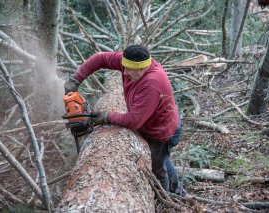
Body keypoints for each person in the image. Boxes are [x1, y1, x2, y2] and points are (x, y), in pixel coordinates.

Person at [64, 44, 186, 196]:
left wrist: (106, 117)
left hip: (161, 130)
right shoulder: (130, 64)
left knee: (157, 169)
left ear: (142, 68)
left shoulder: (152, 83)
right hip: (155, 119)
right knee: (164, 160)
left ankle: (167, 199)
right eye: (124, 67)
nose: (125, 71)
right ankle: (178, 191)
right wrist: (76, 79)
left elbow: (134, 121)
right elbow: (100, 58)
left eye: (129, 70)